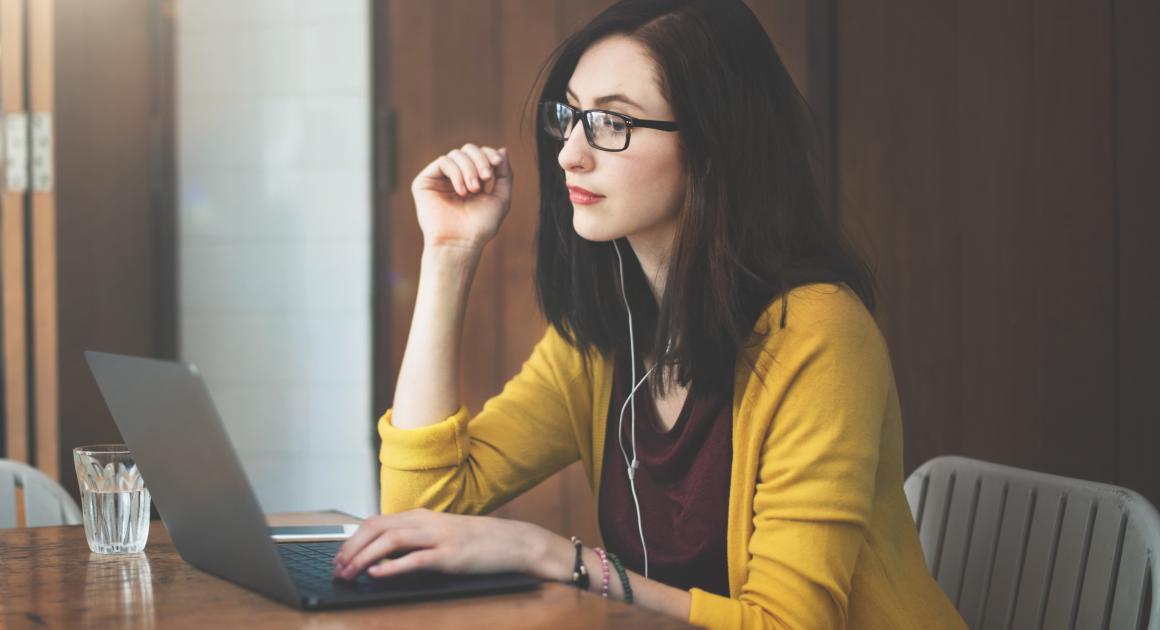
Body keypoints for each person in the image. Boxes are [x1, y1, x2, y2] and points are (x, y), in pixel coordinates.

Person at [333, 1, 967, 627]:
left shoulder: (818, 334)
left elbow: (789, 624)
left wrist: (548, 554)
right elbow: (418, 508)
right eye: (572, 115)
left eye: (613, 122)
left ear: (714, 146)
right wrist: (449, 254)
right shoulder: (606, 334)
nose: (569, 155)